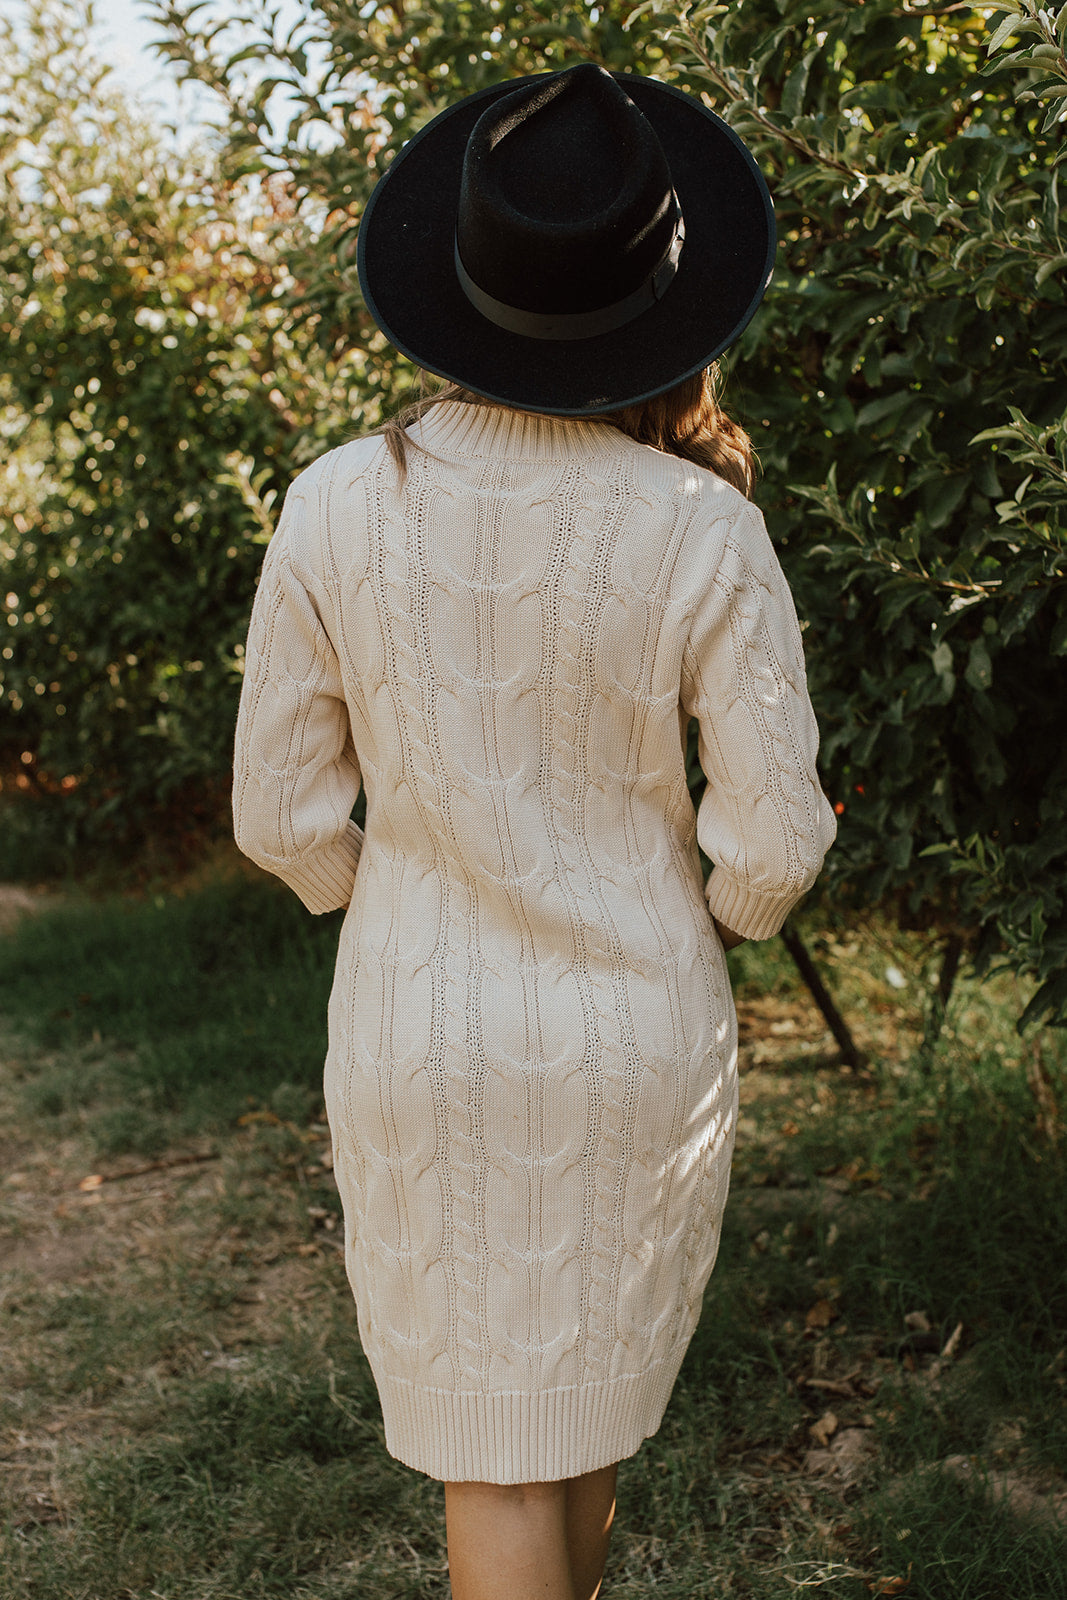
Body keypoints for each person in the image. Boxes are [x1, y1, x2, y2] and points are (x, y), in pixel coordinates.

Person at [232, 62, 836, 1600]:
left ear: (460, 278)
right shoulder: (704, 528)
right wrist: (686, 918)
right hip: (637, 1047)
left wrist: (405, 903)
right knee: (576, 1433)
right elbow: (771, 852)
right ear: (660, 310)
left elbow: (280, 819)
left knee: (500, 1457)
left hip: (417, 1040)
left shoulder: (333, 503)